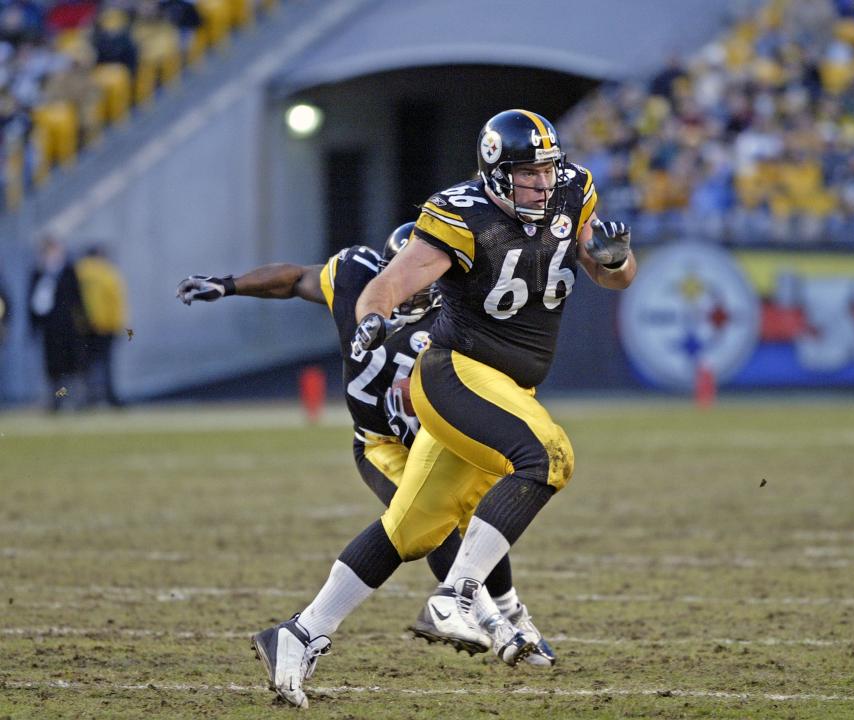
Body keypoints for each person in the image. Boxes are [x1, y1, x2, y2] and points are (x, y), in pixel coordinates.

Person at [248, 109, 636, 708]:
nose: (541, 182)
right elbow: (388, 284)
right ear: (495, 173)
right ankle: (455, 597)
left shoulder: (571, 190)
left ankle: (297, 634)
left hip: (508, 384)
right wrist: (371, 320)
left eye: (546, 169)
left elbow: (614, 277)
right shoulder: (459, 215)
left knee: (409, 530)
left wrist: (613, 261)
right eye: (527, 172)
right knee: (548, 457)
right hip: (456, 373)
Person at [176, 223, 555, 675]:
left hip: (440, 433)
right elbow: (295, 278)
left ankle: (508, 614)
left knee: (478, 512)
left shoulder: (459, 316)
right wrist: (229, 284)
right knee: (426, 522)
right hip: (381, 441)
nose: (411, 291)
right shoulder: (354, 276)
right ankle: (496, 624)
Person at [29, 236, 88, 411]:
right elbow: (32, 303)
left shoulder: (69, 271)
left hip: (69, 328)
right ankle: (56, 401)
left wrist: (83, 323)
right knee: (53, 369)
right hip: (50, 329)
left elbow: (79, 300)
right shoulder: (39, 273)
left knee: (72, 367)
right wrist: (34, 326)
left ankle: (75, 401)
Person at [76, 244, 128, 407]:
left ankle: (86, 398)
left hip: (83, 327)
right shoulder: (108, 272)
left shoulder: (78, 272)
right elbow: (116, 301)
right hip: (106, 326)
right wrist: (120, 325)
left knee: (84, 366)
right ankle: (110, 397)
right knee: (106, 365)